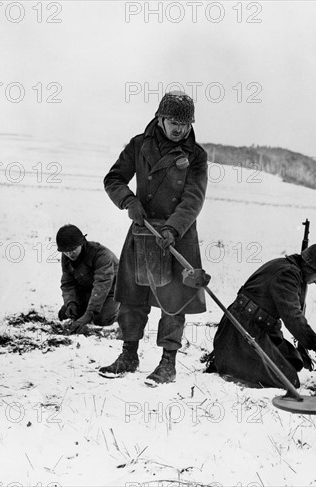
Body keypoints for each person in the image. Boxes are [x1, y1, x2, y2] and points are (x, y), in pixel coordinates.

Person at [100, 91, 208, 385]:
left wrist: (173, 228)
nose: (180, 129)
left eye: (186, 124)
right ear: (160, 117)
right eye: (174, 122)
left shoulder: (196, 156)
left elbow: (193, 198)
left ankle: (167, 364)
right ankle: (128, 355)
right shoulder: (138, 145)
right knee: (133, 296)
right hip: (143, 231)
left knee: (175, 302)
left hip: (177, 234)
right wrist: (128, 201)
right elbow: (113, 179)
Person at [207, 243, 316, 388]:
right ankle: (230, 362)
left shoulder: (288, 267)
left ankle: (233, 360)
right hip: (242, 331)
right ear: (308, 266)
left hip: (259, 327)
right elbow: (293, 318)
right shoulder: (287, 274)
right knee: (288, 380)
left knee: (294, 361)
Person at [56, 224, 120, 335]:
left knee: (101, 319)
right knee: (65, 314)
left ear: (81, 243)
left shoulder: (102, 255)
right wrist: (71, 303)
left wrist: (89, 313)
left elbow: (102, 285)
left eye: (72, 250)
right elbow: (68, 283)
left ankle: (125, 308)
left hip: (114, 290)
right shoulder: (66, 256)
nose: (69, 254)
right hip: (90, 289)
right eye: (66, 251)